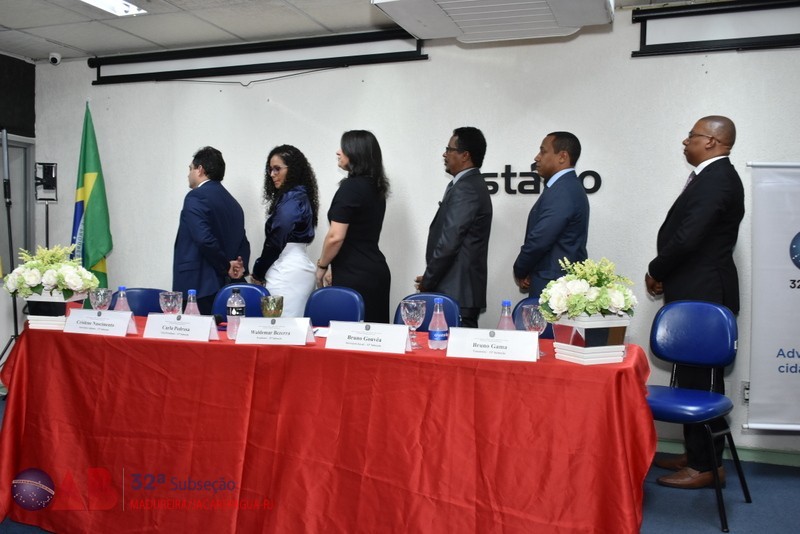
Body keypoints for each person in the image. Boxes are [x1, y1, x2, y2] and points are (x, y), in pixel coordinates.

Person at [646, 115, 745, 490]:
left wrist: (657, 268)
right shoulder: (711, 177)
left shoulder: (718, 179)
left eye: (692, 136)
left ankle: (707, 466)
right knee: (689, 379)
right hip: (693, 291)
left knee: (703, 383)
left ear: (713, 142)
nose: (685, 142)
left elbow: (688, 237)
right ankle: (695, 453)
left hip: (704, 295)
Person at [415, 127, 493, 328]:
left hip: (457, 293)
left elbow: (450, 242)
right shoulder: (465, 184)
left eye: (449, 149)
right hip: (455, 289)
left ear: (465, 155)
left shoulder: (467, 187)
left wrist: (428, 281)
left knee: (455, 348)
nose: (445, 154)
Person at [315, 130, 391, 323]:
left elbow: (335, 237)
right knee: (373, 337)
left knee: (348, 337)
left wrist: (322, 265)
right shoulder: (374, 187)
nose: (338, 152)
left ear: (356, 153)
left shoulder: (351, 188)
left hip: (355, 276)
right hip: (373, 272)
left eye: (344, 148)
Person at [172, 146, 250, 315]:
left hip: (199, 287)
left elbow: (203, 239)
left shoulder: (195, 196)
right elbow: (243, 242)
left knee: (197, 331)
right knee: (224, 331)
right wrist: (239, 266)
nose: (188, 174)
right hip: (227, 287)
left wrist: (226, 266)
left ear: (200, 169)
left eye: (190, 169)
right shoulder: (234, 204)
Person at [513, 131, 589, 298]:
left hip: (555, 287)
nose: (537, 157)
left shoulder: (563, 190)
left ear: (562, 157)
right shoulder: (563, 187)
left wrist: (520, 269)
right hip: (555, 283)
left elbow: (540, 240)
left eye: (543, 151)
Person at [252, 145, 320, 318]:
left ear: (293, 170)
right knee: (290, 328)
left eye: (277, 169)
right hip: (295, 268)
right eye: (270, 169)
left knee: (277, 327)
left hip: (286, 271)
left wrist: (258, 271)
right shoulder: (300, 196)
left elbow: (276, 240)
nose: (272, 174)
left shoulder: (292, 198)